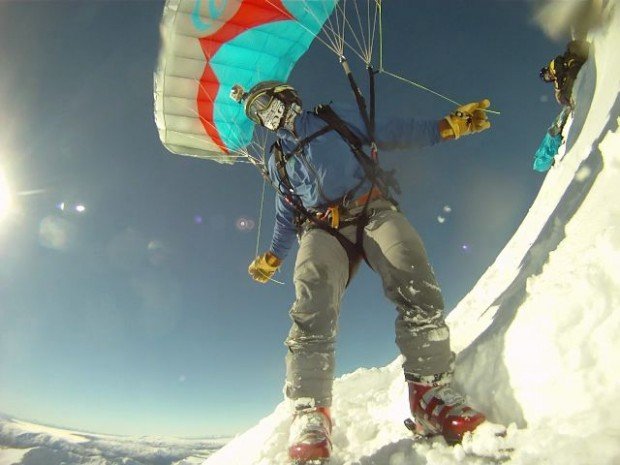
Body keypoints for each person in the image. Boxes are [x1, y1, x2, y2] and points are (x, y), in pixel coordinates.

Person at [233, 80, 491, 463]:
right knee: (311, 295)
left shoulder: (332, 117)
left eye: (265, 103)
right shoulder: (276, 159)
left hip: (371, 208)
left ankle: (429, 394)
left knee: (411, 269)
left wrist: (444, 127)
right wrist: (274, 254)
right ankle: (310, 413)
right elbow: (286, 212)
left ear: (287, 97)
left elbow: (389, 130)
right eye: (254, 113)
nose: (263, 115)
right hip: (322, 228)